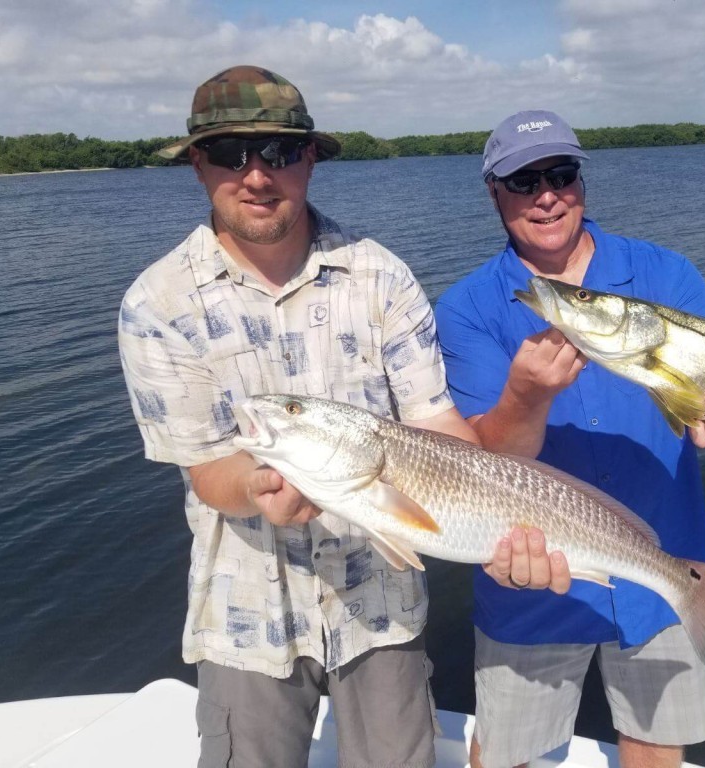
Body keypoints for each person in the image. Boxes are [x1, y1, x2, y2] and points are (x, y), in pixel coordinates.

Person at [117, 65, 480, 768]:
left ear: (311, 158)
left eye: (279, 152)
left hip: (381, 600)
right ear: (197, 165)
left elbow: (436, 427)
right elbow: (209, 470)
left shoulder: (381, 276)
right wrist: (257, 488)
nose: (256, 176)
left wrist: (516, 521)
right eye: (229, 153)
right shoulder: (157, 304)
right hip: (246, 615)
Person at [435, 110, 705, 768]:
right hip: (530, 573)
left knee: (655, 745)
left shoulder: (667, 274)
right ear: (494, 192)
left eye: (561, 174)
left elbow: (704, 398)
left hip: (665, 564)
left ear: (581, 182)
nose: (547, 195)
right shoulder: (466, 309)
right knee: (504, 754)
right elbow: (480, 466)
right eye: (524, 181)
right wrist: (525, 396)